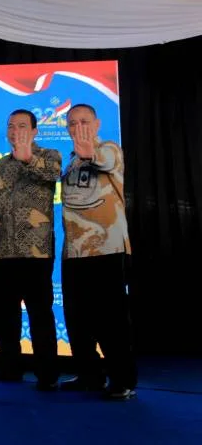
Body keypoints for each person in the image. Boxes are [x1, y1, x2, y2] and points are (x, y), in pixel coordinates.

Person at [59, 104, 137, 400]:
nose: (78, 127)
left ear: (97, 124)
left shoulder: (110, 150)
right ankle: (89, 375)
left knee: (112, 320)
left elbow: (104, 160)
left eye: (84, 121)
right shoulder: (71, 162)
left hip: (107, 250)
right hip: (74, 253)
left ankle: (123, 380)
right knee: (77, 320)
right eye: (72, 123)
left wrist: (90, 152)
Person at [0, 109, 61, 391]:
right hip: (2, 253)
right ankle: (10, 367)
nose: (16, 131)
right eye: (11, 126)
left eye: (23, 126)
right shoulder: (1, 165)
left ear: (35, 131)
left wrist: (27, 156)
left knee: (40, 315)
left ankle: (47, 373)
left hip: (35, 253)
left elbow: (52, 174)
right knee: (3, 315)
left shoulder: (49, 156)